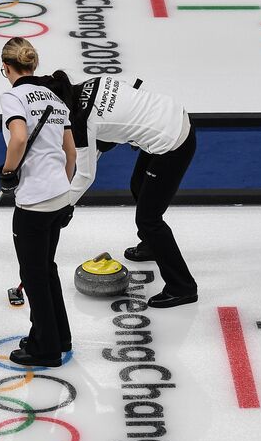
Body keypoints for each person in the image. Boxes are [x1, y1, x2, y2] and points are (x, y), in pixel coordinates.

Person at [49, 72, 198, 308]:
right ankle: (151, 245)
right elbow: (122, 103)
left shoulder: (80, 120)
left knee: (149, 218)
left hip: (172, 142)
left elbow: (86, 174)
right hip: (169, 116)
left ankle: (183, 287)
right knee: (138, 185)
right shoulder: (92, 83)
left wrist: (65, 205)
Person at [0, 37, 76, 367]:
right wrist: (65, 188)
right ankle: (59, 335)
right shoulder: (56, 99)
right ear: (34, 64)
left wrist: (7, 172)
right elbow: (70, 152)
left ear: (7, 68)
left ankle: (45, 348)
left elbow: (18, 137)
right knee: (47, 268)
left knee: (32, 275)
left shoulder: (13, 96)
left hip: (34, 200)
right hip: (60, 193)